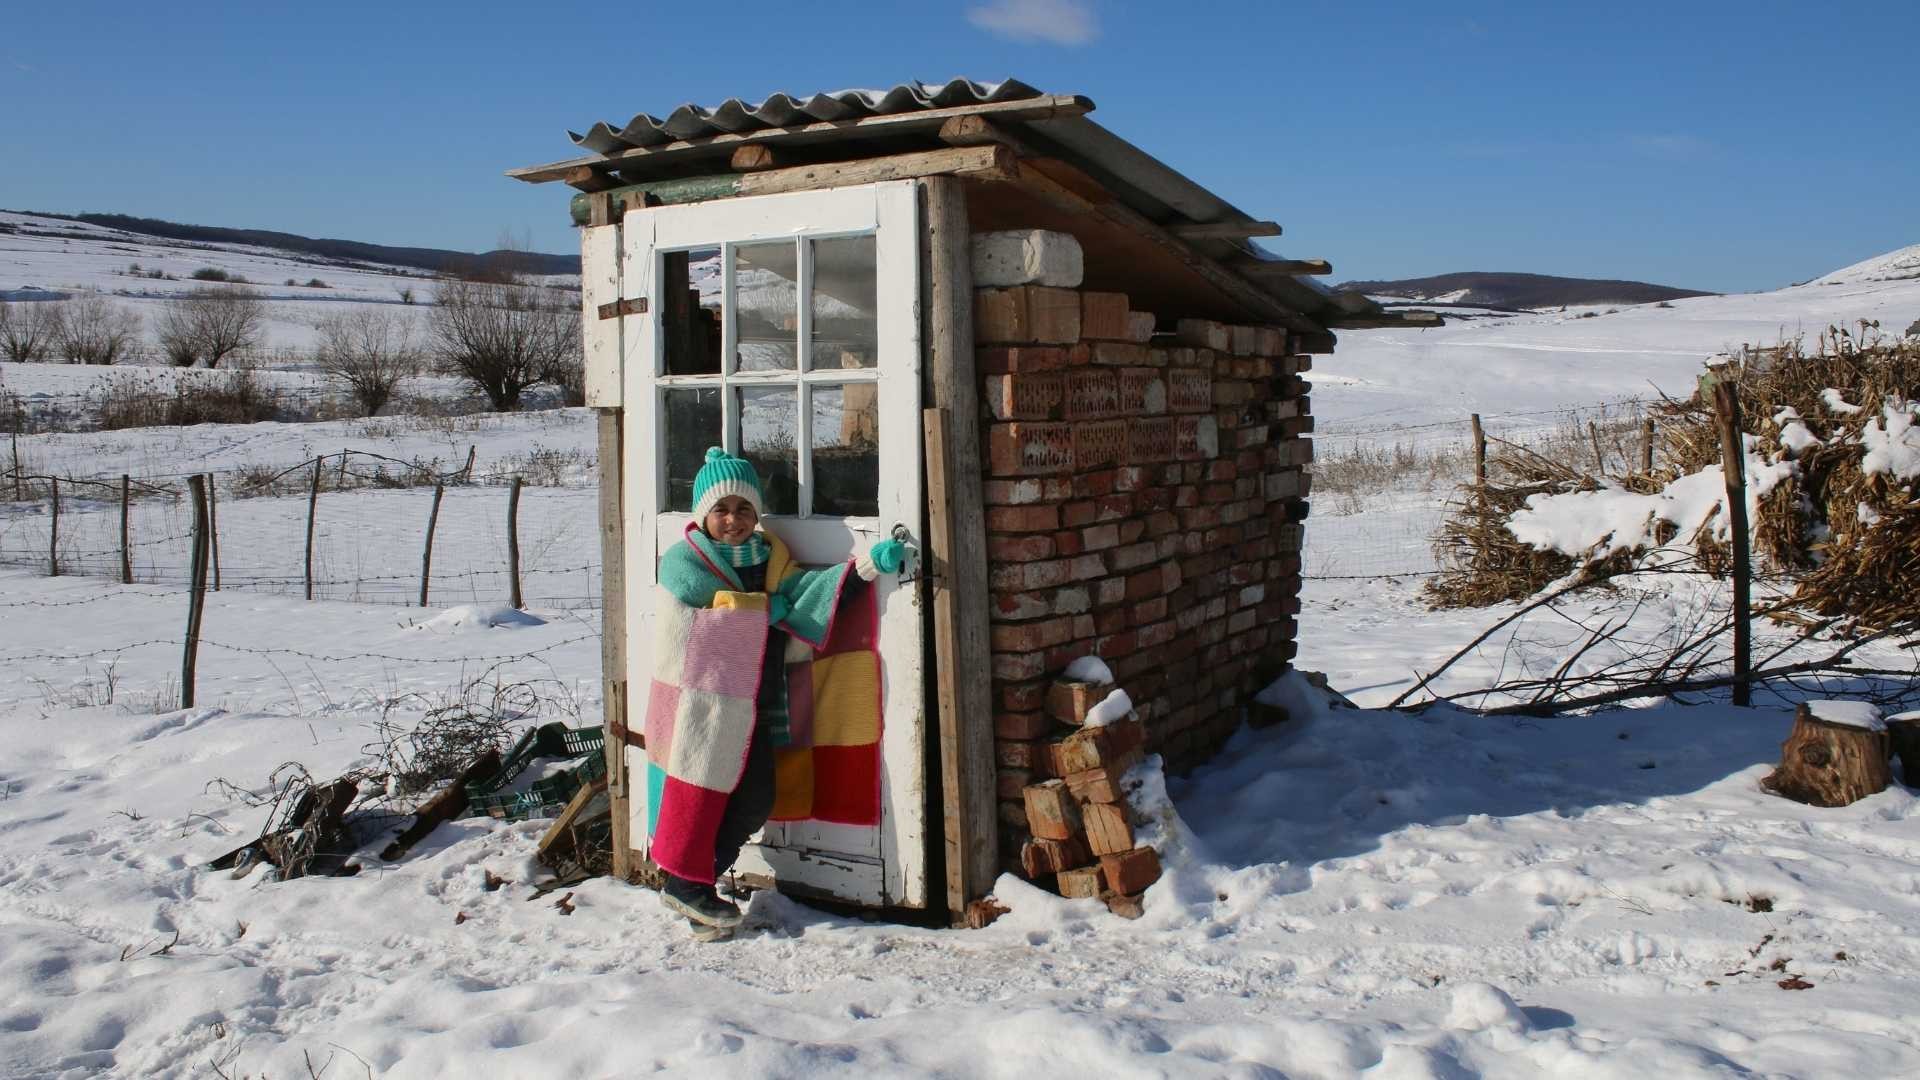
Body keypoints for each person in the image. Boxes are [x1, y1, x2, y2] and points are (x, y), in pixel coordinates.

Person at [647, 448, 906, 934]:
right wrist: (766, 610)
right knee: (700, 796)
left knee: (753, 800)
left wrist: (868, 566)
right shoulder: (684, 563)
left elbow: (808, 595)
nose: (734, 520)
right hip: (704, 711)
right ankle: (689, 885)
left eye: (745, 509)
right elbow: (699, 627)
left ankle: (686, 883)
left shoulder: (770, 557)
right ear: (703, 513)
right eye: (722, 509)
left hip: (759, 706)